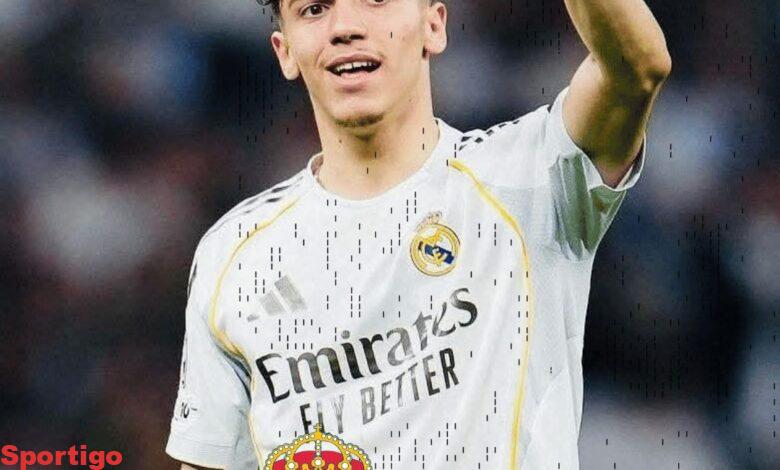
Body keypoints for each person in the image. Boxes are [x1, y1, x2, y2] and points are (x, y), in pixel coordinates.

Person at [165, 0, 671, 468]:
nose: (344, 27)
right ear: (285, 52)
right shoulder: (234, 256)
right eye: (314, 9)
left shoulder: (527, 176)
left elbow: (637, 68)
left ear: (434, 24)